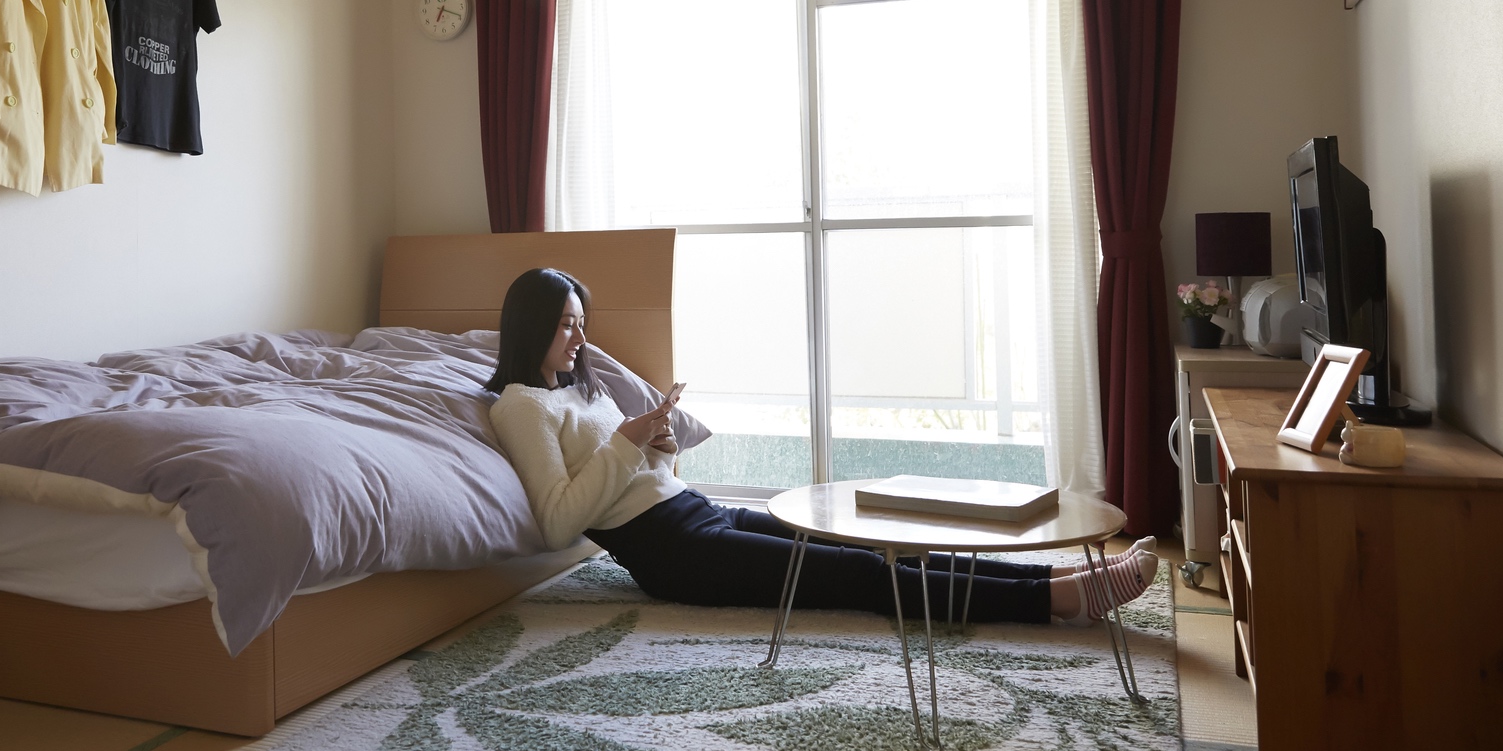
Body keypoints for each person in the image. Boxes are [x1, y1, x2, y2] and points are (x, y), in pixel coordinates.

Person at [484, 267, 1157, 625]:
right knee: (863, 579)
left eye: (580, 323)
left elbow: (636, 471)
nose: (577, 338)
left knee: (870, 545)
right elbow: (559, 518)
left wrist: (656, 443)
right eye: (565, 325)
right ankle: (1055, 603)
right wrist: (629, 445)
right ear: (532, 324)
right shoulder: (521, 405)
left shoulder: (584, 390)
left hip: (697, 510)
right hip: (671, 552)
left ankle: (1065, 577)